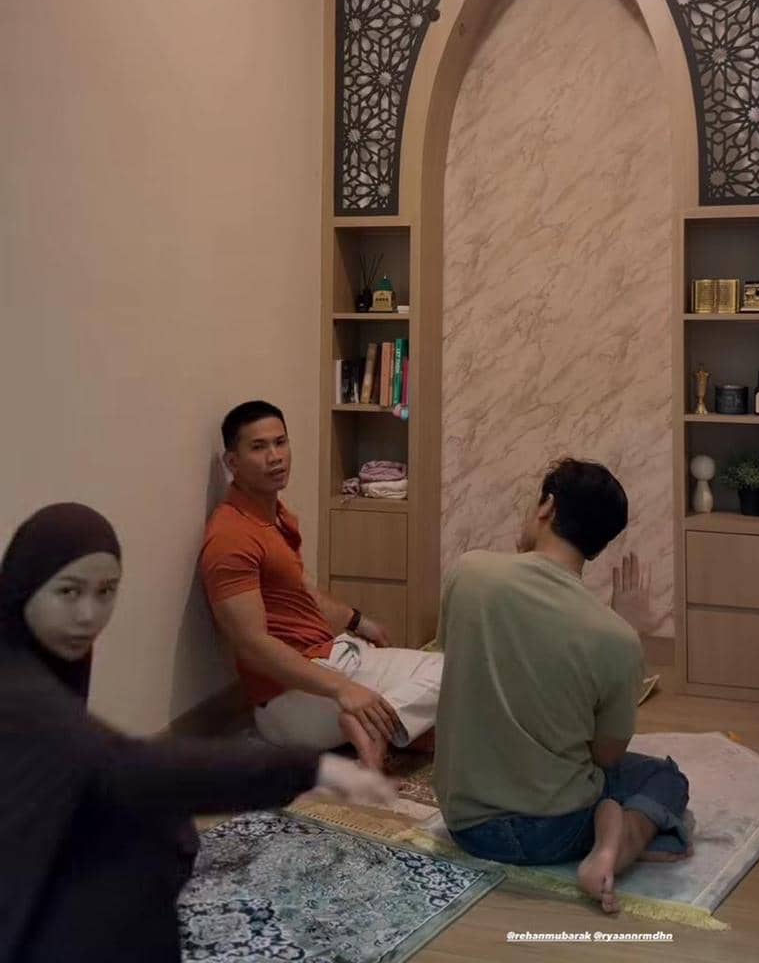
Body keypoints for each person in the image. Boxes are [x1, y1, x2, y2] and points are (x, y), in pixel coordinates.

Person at [0, 503, 394, 963]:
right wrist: (310, 768)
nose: (88, 615)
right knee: (142, 847)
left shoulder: (43, 647)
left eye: (106, 591)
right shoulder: (19, 691)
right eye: (68, 592)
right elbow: (127, 767)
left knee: (169, 827)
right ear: (26, 585)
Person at [433, 458, 691, 915]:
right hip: (555, 831)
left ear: (547, 507)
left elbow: (455, 660)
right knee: (664, 777)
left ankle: (609, 838)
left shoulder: (467, 574)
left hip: (466, 825)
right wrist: (628, 628)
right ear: (599, 544)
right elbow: (606, 755)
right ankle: (616, 849)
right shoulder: (616, 637)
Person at [199, 400, 442, 770]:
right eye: (259, 447)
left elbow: (303, 591)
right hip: (291, 701)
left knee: (452, 689)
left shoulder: (274, 516)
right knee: (450, 673)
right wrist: (343, 689)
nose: (275, 457)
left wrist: (358, 621)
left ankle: (387, 724)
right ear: (233, 462)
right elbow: (251, 645)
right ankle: (373, 725)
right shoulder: (230, 537)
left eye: (280, 442)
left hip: (330, 659)